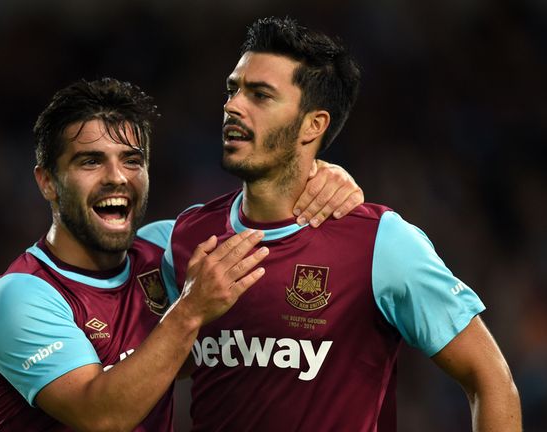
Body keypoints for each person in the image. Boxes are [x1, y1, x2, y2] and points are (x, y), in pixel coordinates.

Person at [0, 76, 364, 430]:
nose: (116, 176)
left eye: (131, 160)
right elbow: (104, 415)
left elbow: (261, 227)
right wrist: (190, 310)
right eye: (90, 160)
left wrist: (322, 175)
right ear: (47, 183)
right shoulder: (20, 297)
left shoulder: (163, 248)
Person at [161, 16, 522, 431]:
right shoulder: (186, 237)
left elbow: (490, 378)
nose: (233, 106)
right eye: (233, 90)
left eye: (260, 95)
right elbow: (164, 366)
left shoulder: (381, 243)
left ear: (313, 125)